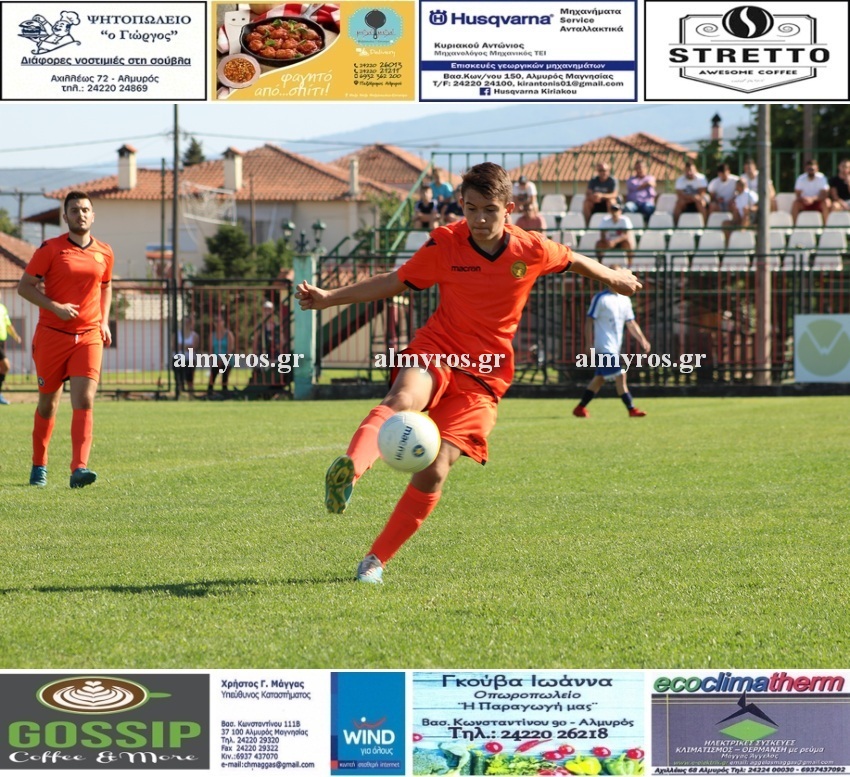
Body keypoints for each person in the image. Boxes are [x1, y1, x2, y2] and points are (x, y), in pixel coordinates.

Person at [295, 162, 642, 584]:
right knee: (402, 398)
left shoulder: (530, 249)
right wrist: (329, 297)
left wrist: (613, 276)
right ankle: (350, 470)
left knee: (435, 468)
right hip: (439, 349)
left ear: (508, 210)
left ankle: (375, 560)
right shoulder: (446, 243)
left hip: (484, 375)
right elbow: (395, 280)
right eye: (471, 208)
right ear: (461, 204)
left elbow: (573, 260)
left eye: (489, 210)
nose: (479, 219)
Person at [17, 190, 113, 488]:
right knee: (48, 404)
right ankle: (39, 465)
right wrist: (55, 307)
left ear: (92, 215)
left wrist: (104, 321)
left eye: (85, 210)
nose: (80, 214)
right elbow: (24, 286)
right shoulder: (51, 249)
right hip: (52, 336)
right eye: (74, 210)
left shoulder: (105, 252)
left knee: (85, 399)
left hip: (88, 336)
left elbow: (106, 286)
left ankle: (79, 469)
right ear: (65, 216)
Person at [572, 272, 650, 419]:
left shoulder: (625, 299)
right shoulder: (601, 298)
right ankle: (631, 409)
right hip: (604, 346)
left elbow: (631, 322)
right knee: (621, 375)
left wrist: (642, 339)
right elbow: (589, 320)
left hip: (614, 347)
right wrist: (589, 344)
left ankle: (580, 408)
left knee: (599, 378)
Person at [0, 293, 23, 405]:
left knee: (3, 368)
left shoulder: (3, 308)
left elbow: (8, 325)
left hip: (2, 342)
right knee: (6, 366)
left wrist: (15, 336)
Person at [207, 310, 236, 397]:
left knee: (225, 374)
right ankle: (210, 392)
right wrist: (214, 360)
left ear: (223, 322)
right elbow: (211, 351)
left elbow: (230, 349)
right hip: (216, 360)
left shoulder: (228, 334)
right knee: (213, 375)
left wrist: (223, 360)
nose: (218, 323)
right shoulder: (212, 335)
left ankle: (224, 391)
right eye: (216, 321)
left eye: (219, 321)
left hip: (227, 360)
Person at [723, 178, 758, 243]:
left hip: (751, 219)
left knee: (746, 216)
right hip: (739, 218)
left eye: (737, 186)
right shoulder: (737, 197)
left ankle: (740, 239)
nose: (736, 188)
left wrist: (749, 208)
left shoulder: (750, 194)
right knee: (726, 223)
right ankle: (728, 244)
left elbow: (757, 207)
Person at [673, 160, 708, 225]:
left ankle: (704, 225)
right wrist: (692, 197)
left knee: (701, 202)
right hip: (686, 202)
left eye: (691, 170)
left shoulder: (701, 178)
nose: (689, 173)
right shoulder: (680, 180)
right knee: (679, 203)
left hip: (697, 201)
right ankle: (676, 225)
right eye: (687, 171)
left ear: (695, 170)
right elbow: (679, 195)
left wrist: (694, 198)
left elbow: (702, 193)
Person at [175, 312, 199, 396]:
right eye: (184, 322)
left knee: (189, 378)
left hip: (190, 359)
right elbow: (174, 347)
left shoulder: (194, 335)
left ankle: (191, 394)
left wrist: (182, 346)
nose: (186, 324)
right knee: (179, 378)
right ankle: (180, 394)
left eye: (188, 322)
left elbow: (193, 348)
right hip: (178, 358)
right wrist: (187, 347)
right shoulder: (177, 334)